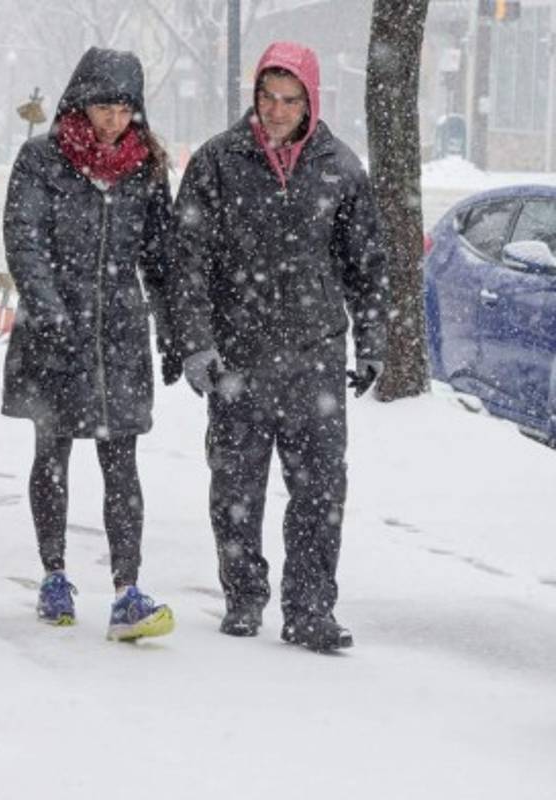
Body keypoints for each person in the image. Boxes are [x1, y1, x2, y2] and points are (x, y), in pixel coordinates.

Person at [167, 41, 389, 652]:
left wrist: (371, 342)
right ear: (255, 96)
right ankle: (243, 594)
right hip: (238, 353)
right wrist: (195, 342)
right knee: (236, 484)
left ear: (311, 100)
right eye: (268, 96)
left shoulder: (340, 167)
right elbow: (187, 261)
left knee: (320, 489)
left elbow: (366, 264)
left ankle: (311, 609)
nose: (278, 109)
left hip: (315, 354)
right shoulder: (217, 161)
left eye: (291, 99)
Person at [1, 47, 178, 642]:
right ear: (80, 103)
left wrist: (174, 330)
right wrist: (49, 309)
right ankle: (54, 574)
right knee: (51, 452)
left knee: (121, 461)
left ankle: (128, 589)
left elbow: (161, 257)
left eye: (125, 108)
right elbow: (23, 238)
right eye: (104, 106)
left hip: (120, 333)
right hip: (56, 329)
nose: (114, 120)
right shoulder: (41, 161)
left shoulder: (146, 168)